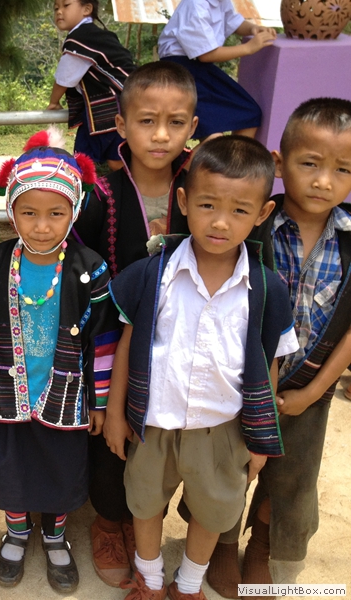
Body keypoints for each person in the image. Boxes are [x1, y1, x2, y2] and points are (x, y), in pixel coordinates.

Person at [105, 136, 299, 600]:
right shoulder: (153, 274)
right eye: (208, 204)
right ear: (183, 202)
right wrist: (114, 412)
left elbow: (269, 363)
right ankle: (150, 580)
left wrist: (260, 437)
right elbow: (127, 344)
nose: (220, 221)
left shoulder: (266, 289)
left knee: (214, 511)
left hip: (222, 430)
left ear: (262, 213)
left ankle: (189, 585)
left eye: (239, 210)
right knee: (144, 504)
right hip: (153, 424)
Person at [204, 98, 351, 597]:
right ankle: (223, 543)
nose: (324, 181)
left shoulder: (350, 240)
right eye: (310, 164)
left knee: (291, 476)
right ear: (280, 163)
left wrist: (313, 393)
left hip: (310, 386)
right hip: (242, 382)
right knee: (234, 465)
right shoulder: (253, 225)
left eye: (342, 169)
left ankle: (261, 544)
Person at [70, 60, 198, 587]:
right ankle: (107, 521)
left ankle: (142, 521)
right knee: (110, 436)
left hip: (182, 343)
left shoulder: (202, 189)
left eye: (175, 122)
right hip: (111, 343)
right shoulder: (101, 195)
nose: (161, 135)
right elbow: (79, 273)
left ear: (193, 127)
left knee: (161, 440)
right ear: (121, 125)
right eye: (147, 121)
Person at [0, 128, 120, 594]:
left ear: (74, 210)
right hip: (7, 394)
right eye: (29, 212)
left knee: (60, 467)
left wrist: (100, 402)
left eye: (56, 213)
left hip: (67, 395)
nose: (42, 226)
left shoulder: (90, 267)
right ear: (11, 210)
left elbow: (103, 340)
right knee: (13, 467)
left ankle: (56, 536)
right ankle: (17, 532)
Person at [158, 0, 277, 140]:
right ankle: (201, 154)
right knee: (213, 135)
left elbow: (234, 22)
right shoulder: (195, 5)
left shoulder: (221, 2)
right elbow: (206, 55)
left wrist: (253, 28)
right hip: (179, 70)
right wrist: (248, 48)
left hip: (200, 68)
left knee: (250, 114)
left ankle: (236, 155)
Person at [48, 0, 135, 172]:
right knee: (90, 158)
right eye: (56, 8)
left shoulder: (79, 39)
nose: (59, 12)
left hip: (111, 107)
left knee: (109, 160)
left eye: (66, 5)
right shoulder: (95, 36)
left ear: (87, 9)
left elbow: (64, 78)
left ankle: (126, 186)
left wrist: (53, 102)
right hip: (123, 101)